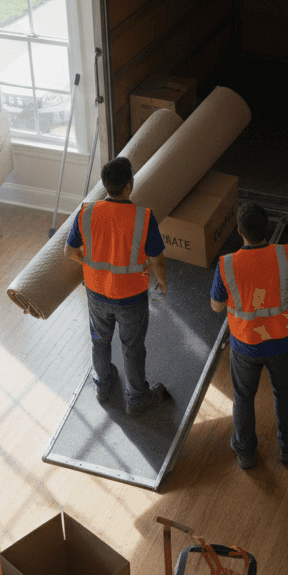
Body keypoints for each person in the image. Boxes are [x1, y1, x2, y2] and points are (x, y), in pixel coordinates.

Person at [211, 202, 288, 469]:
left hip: (246, 345)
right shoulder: (287, 255)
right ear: (266, 227)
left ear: (239, 231)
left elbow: (216, 305)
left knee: (243, 397)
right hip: (283, 340)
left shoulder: (227, 265)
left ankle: (245, 452)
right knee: (285, 392)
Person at [66, 157, 169, 415]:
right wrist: (163, 283)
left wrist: (87, 262)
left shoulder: (86, 212)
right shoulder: (143, 218)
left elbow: (68, 250)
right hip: (130, 296)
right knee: (132, 348)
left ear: (106, 185)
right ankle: (136, 399)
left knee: (99, 341)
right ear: (129, 186)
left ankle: (103, 386)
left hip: (96, 292)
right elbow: (156, 260)